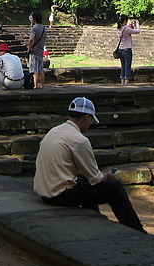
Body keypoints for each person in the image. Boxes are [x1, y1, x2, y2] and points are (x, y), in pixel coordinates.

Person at [34, 97, 146, 233]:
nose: (91, 123)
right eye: (91, 119)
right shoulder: (79, 140)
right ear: (86, 117)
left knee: (85, 184)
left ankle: (95, 218)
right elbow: (96, 178)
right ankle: (136, 230)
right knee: (115, 188)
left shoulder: (54, 131)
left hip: (45, 192)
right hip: (60, 195)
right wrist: (107, 176)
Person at [116, 15, 140, 85]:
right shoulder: (126, 29)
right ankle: (126, 82)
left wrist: (130, 25)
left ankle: (122, 81)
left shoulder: (118, 28)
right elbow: (138, 31)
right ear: (125, 20)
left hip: (120, 49)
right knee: (127, 66)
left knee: (123, 66)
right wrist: (137, 24)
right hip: (127, 49)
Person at [28, 11, 47, 89]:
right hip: (40, 50)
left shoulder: (34, 28)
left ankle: (35, 85)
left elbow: (31, 39)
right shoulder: (43, 28)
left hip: (34, 51)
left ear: (34, 19)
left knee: (35, 70)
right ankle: (42, 85)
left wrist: (30, 48)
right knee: (40, 69)